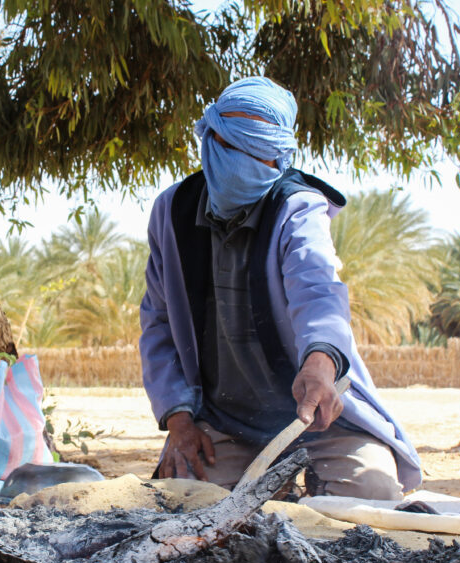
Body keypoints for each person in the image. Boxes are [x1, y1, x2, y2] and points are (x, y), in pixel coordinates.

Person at [139, 76, 421, 499]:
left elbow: (318, 289)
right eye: (231, 147)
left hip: (318, 420)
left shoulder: (297, 208)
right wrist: (180, 423)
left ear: (280, 160)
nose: (243, 163)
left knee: (374, 494)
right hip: (223, 421)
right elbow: (158, 324)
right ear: (209, 139)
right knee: (178, 503)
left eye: (260, 156)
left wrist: (321, 364)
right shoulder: (173, 211)